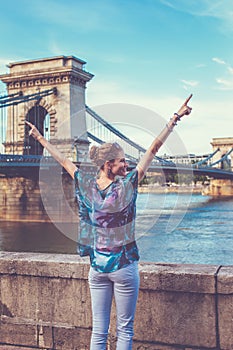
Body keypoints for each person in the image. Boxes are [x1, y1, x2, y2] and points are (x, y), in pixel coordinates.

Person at [25, 94, 192, 350]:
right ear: (108, 165)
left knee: (98, 333)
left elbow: (63, 162)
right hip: (124, 266)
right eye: (122, 161)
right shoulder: (126, 186)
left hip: (98, 267)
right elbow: (153, 150)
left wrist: (39, 138)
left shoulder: (86, 185)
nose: (127, 164)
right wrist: (174, 119)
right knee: (125, 331)